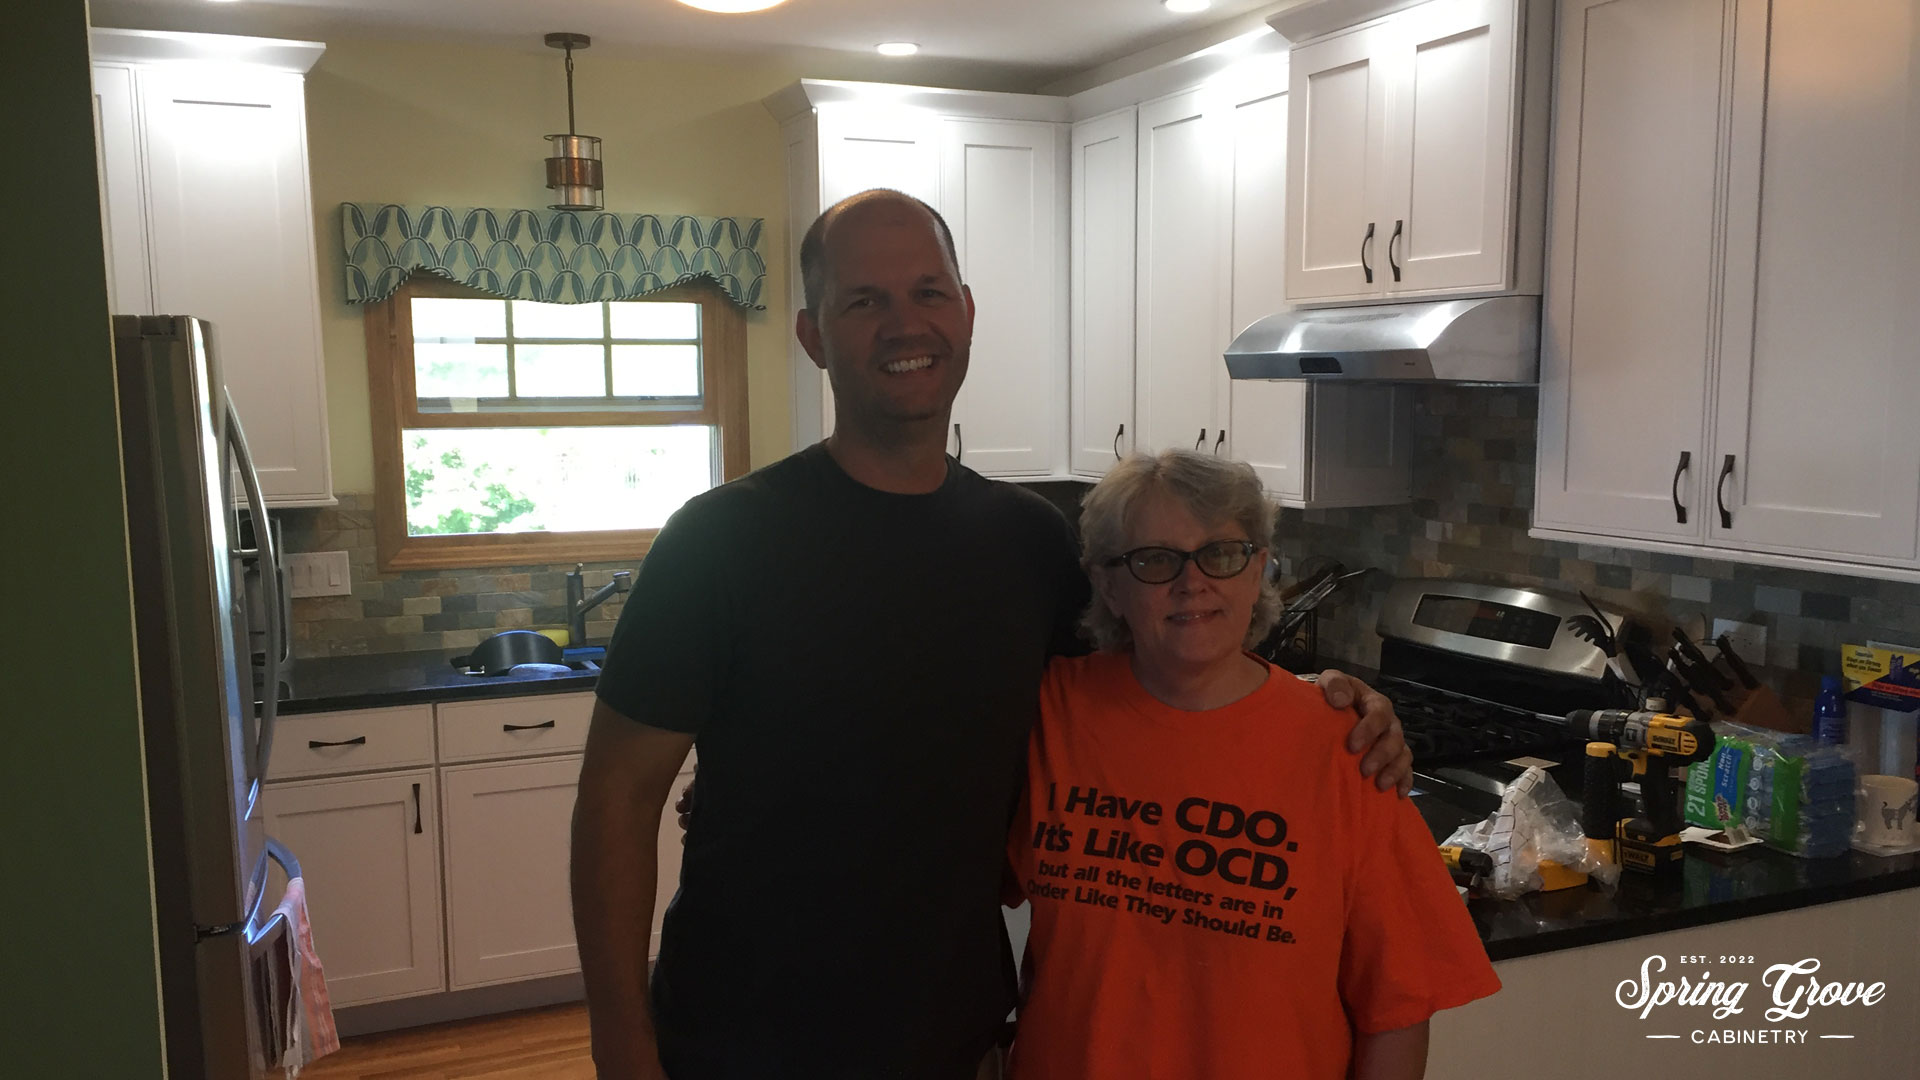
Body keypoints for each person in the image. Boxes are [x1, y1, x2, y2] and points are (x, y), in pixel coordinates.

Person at [569, 188, 1415, 1080]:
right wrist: (623, 1046)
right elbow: (616, 802)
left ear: (966, 314)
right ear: (814, 334)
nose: (906, 325)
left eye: (929, 292)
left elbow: (1166, 693)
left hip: (957, 1041)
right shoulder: (719, 541)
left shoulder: (1028, 542)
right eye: (866, 301)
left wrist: (1326, 702)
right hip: (739, 1043)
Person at [1006, 449, 1499, 1080]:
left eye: (1222, 552)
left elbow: (1398, 1004)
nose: (1194, 582)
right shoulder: (1043, 711)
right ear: (1108, 584)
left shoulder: (1346, 747)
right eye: (1155, 559)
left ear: (1259, 567)